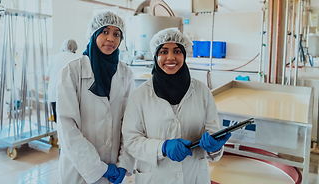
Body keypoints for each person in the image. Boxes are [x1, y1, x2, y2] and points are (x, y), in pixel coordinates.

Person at [122, 28, 231, 184]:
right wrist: (162, 148)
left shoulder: (202, 92)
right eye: (164, 52)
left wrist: (215, 147)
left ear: (184, 55)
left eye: (177, 51)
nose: (171, 58)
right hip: (155, 177)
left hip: (193, 176)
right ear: (156, 56)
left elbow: (212, 133)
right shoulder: (140, 95)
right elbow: (131, 140)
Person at [56, 12, 135, 184]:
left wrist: (125, 162)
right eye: (105, 32)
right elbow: (67, 126)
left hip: (114, 164)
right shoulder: (73, 71)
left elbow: (130, 123)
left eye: (116, 34)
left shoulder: (125, 74)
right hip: (79, 169)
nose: (111, 39)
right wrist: (97, 168)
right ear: (94, 34)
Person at [45, 39, 78, 123]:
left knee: (58, 120)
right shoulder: (78, 58)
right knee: (69, 121)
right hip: (71, 94)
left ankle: (58, 135)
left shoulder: (56, 57)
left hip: (54, 92)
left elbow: (46, 77)